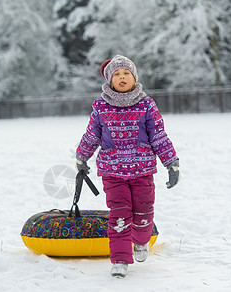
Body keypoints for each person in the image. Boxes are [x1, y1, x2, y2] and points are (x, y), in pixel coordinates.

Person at [75, 55, 180, 277]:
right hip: (113, 173)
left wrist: (171, 162)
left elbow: (158, 135)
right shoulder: (101, 107)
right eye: (117, 75)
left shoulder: (146, 105)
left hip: (142, 171)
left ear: (134, 78)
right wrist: (81, 157)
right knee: (120, 215)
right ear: (110, 80)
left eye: (126, 74)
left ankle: (141, 242)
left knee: (143, 214)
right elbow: (92, 136)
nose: (122, 78)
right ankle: (120, 260)